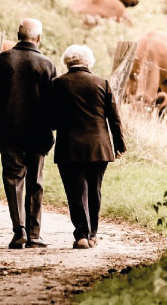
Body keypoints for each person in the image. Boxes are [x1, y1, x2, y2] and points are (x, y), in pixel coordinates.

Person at [0, 18, 57, 249]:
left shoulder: (3, 61)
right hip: (39, 134)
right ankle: (35, 235)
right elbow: (54, 105)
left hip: (9, 132)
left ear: (18, 35)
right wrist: (52, 129)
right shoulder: (47, 64)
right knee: (35, 181)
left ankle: (19, 231)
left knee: (13, 180)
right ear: (39, 38)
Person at [51, 45, 126, 249]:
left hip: (69, 147)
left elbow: (51, 119)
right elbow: (114, 119)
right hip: (99, 146)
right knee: (95, 190)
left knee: (75, 192)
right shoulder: (102, 83)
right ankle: (93, 234)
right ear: (88, 62)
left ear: (67, 62)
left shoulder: (57, 84)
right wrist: (119, 145)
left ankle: (81, 235)